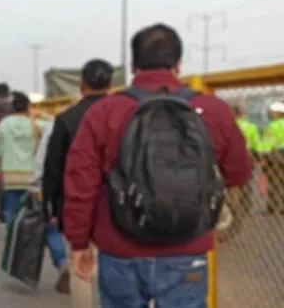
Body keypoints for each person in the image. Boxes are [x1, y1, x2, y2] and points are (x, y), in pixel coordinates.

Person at [63, 23, 252, 308]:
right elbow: (239, 173)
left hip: (120, 246)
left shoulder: (104, 111)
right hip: (187, 248)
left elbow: (81, 181)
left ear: (134, 65)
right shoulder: (213, 110)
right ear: (178, 64)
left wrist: (79, 242)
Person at [43, 59, 114, 235]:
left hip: (75, 204)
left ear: (82, 84)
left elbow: (53, 166)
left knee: (81, 258)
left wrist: (49, 204)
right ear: (110, 84)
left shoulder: (66, 118)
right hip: (114, 206)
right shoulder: (124, 114)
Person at [0, 91, 48, 224]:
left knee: (11, 212)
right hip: (31, 176)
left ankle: (13, 238)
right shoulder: (36, 125)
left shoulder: (4, 124)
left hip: (10, 175)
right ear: (28, 106)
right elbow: (55, 122)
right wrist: (40, 114)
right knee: (33, 212)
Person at [31, 117, 71, 294]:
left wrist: (35, 181)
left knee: (51, 226)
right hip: (95, 188)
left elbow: (44, 158)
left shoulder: (58, 123)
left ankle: (62, 261)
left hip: (59, 188)